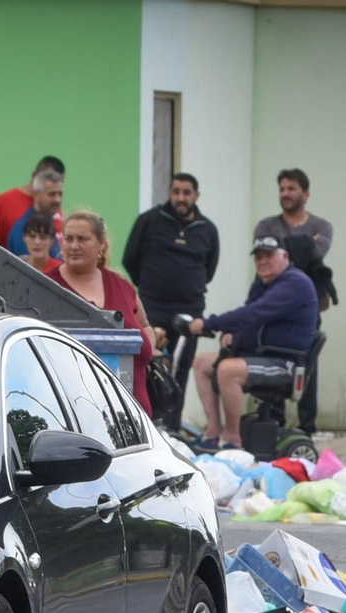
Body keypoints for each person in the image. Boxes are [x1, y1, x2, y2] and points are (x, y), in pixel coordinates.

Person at [186, 237, 319, 450]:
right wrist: (231, 332)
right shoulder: (264, 283)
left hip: (284, 362)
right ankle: (213, 433)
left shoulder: (294, 283)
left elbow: (254, 314)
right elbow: (248, 317)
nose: (262, 261)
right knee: (202, 363)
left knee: (227, 370)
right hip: (259, 356)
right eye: (258, 257)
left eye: (269, 256)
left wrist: (208, 323)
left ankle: (232, 439)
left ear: (285, 256)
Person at [121, 172, 220, 431]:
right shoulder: (149, 221)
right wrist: (151, 286)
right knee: (149, 363)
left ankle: (173, 427)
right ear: (170, 192)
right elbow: (129, 259)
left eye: (186, 193)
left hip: (190, 310)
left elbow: (209, 269)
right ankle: (148, 424)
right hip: (152, 307)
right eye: (176, 191)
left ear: (196, 196)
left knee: (181, 367)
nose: (180, 198)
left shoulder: (207, 230)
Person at [46, 210, 157, 413]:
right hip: (75, 416)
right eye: (68, 238)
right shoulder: (46, 287)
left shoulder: (122, 285)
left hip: (134, 414)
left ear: (101, 244)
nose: (74, 246)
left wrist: (148, 351)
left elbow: (145, 326)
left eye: (82, 239)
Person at [253, 169, 334, 435]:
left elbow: (316, 252)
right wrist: (301, 246)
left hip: (306, 306)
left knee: (307, 365)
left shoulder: (322, 226)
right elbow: (282, 255)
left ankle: (307, 426)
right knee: (271, 360)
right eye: (282, 188)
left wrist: (284, 248)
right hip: (272, 303)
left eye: (292, 188)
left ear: (306, 194)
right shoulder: (266, 225)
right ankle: (274, 423)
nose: (285, 193)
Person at [0, 155, 66, 248]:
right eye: (49, 179)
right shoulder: (5, 202)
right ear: (35, 176)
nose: (57, 199)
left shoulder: (53, 209)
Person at [5, 171, 63, 259]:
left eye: (60, 194)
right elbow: (30, 270)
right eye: (52, 194)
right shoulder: (24, 228)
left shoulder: (56, 222)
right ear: (36, 194)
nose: (57, 200)